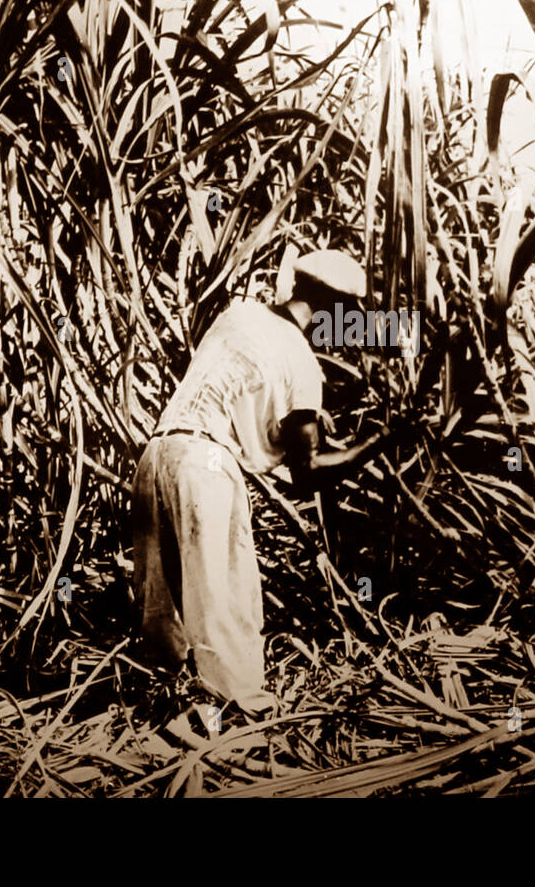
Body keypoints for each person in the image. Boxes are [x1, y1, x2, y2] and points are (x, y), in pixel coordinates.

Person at [130, 249, 393, 714]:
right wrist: (377, 442)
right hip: (208, 466)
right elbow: (306, 475)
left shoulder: (239, 314)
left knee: (162, 609)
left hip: (156, 456)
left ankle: (166, 713)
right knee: (224, 603)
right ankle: (243, 717)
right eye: (348, 316)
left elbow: (240, 384)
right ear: (333, 306)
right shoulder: (303, 364)